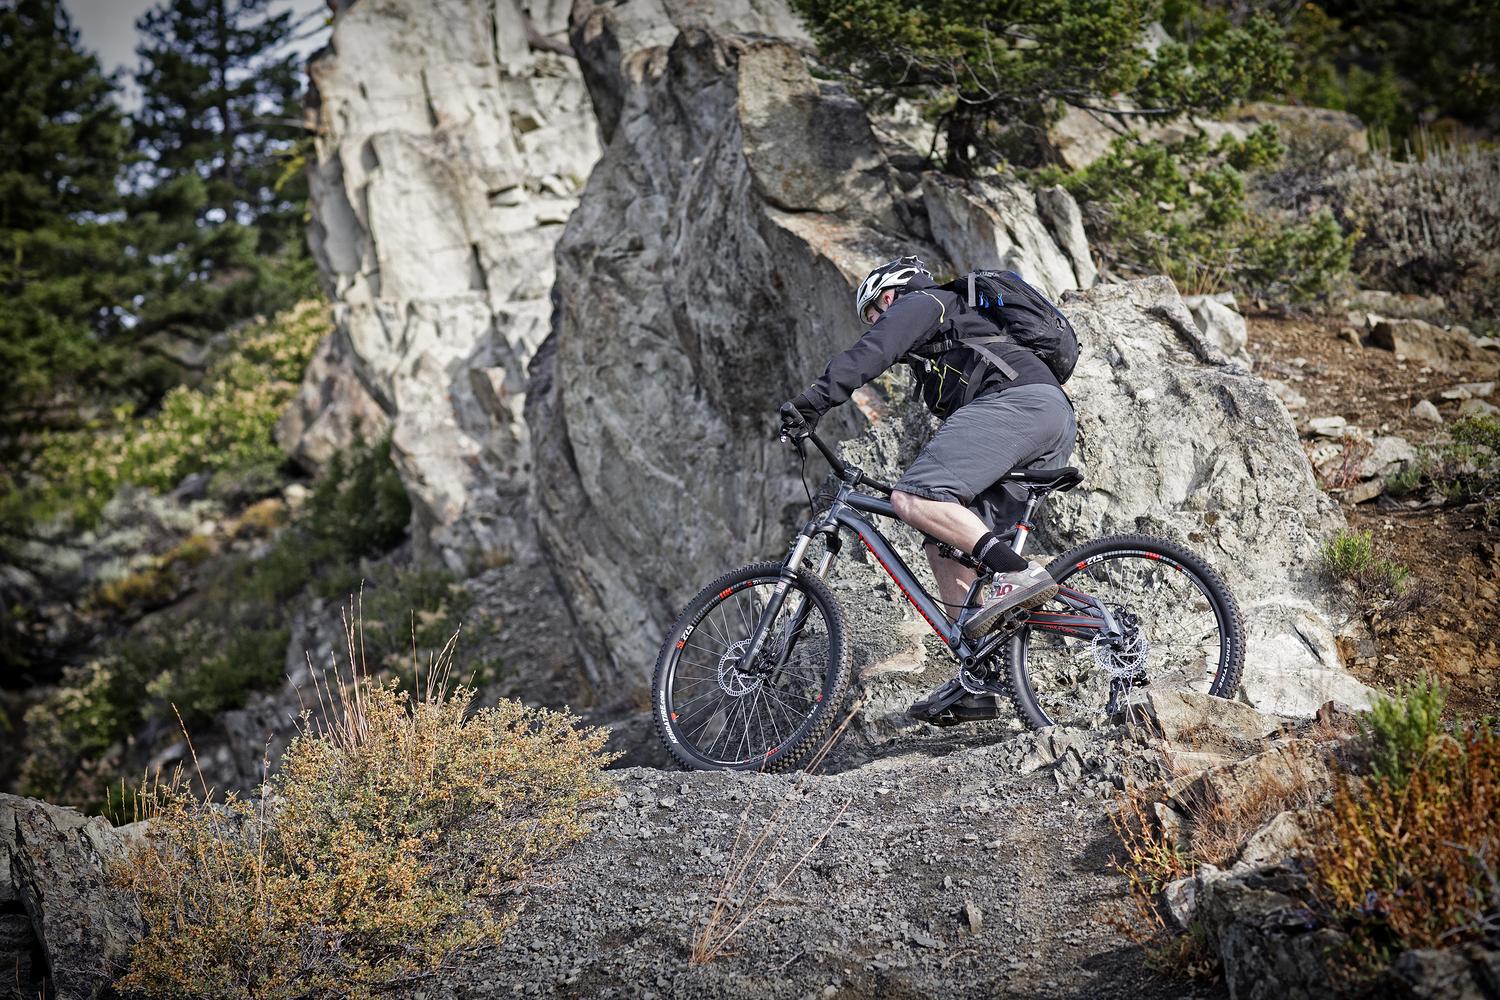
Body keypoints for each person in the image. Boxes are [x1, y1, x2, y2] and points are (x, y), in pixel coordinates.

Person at [779, 256, 1077, 714]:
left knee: (913, 497)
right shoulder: (945, 344)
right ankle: (977, 678)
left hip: (1020, 404)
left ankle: (1018, 573)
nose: (876, 322)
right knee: (945, 543)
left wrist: (812, 402)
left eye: (874, 313)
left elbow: (873, 351)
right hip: (1043, 417)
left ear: (888, 295)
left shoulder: (925, 302)